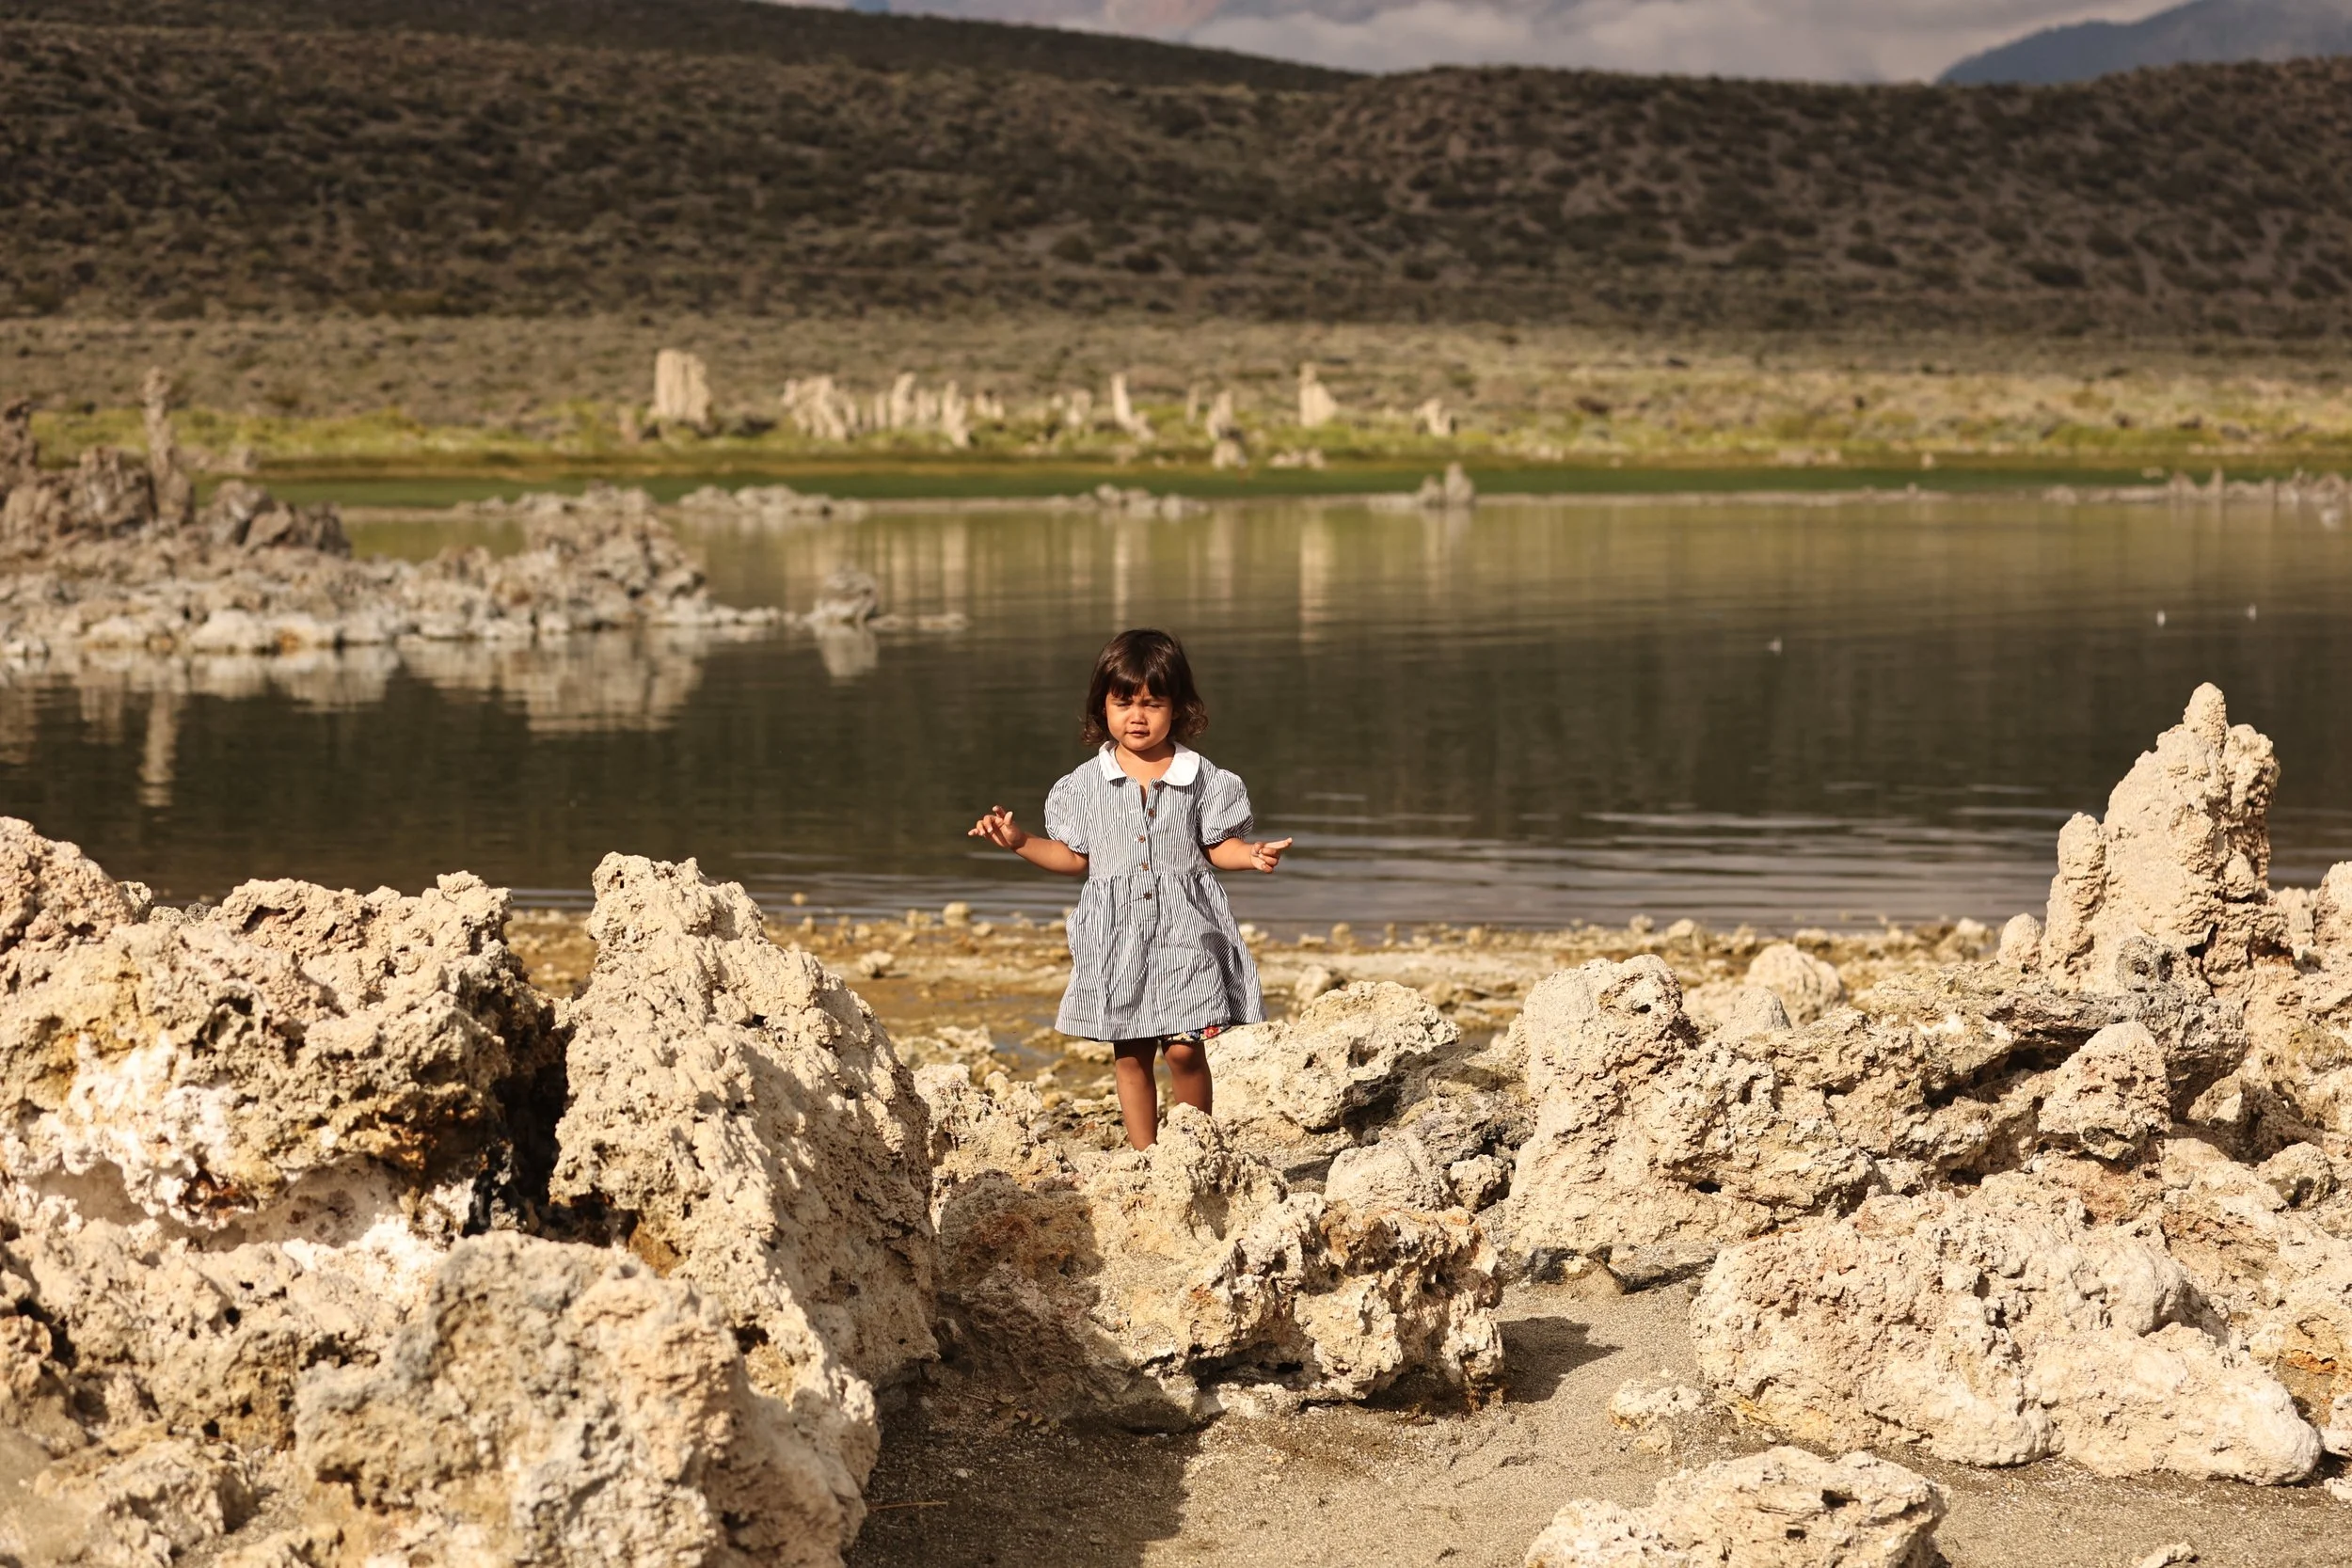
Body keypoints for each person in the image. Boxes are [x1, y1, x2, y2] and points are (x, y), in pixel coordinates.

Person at [969, 629, 1291, 1148]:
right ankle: (1145, 1156)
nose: (1137, 717)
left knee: (1185, 1049)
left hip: (1185, 931)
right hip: (1117, 938)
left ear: (1179, 708)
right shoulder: (1083, 787)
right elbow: (1074, 859)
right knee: (1132, 1050)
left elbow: (1216, 847)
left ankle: (1193, 1148)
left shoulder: (1201, 778)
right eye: (1124, 703)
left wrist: (1249, 856)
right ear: (1103, 705)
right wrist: (1020, 840)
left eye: (1153, 703)